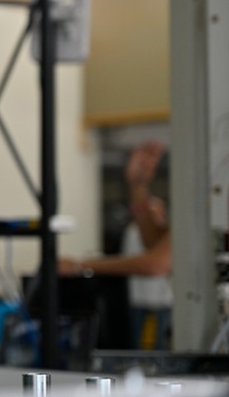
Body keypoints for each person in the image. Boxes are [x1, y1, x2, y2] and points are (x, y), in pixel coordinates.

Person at [59, 140, 171, 349]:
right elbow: (153, 241)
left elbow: (157, 263)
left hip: (156, 304)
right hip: (140, 301)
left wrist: (79, 266)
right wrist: (138, 185)